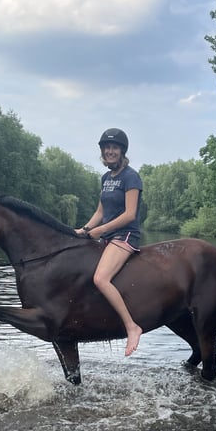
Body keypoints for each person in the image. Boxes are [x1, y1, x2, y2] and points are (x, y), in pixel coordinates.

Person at [75, 128, 144, 356]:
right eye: (106, 148)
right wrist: (84, 230)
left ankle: (132, 327)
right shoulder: (106, 178)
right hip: (108, 236)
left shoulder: (131, 176)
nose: (110, 151)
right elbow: (100, 211)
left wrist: (101, 230)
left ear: (122, 151)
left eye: (114, 148)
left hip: (125, 236)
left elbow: (130, 214)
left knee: (100, 278)